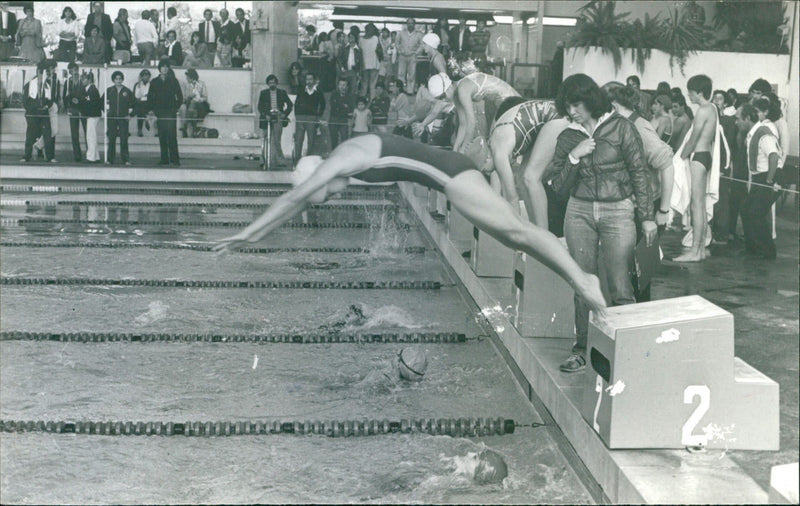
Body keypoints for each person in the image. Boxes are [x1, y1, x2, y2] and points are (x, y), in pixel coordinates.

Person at [213, 133, 608, 321]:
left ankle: (583, 279)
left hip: (451, 176)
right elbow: (296, 202)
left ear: (320, 176)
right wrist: (260, 235)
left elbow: (292, 199)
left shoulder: (339, 161)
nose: (333, 196)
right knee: (511, 234)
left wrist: (250, 232)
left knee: (518, 231)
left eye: (327, 194)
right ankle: (577, 277)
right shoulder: (335, 162)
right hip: (448, 175)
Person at [548, 74, 654, 373]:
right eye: (567, 106)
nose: (572, 112)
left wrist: (646, 217)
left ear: (591, 100)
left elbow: (640, 174)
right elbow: (557, 187)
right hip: (578, 210)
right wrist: (573, 156)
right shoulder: (568, 135)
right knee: (583, 283)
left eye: (577, 105)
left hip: (618, 211)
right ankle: (582, 349)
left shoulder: (622, 128)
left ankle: (627, 353)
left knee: (621, 284)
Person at [605, 83, 675, 301]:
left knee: (638, 271)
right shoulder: (622, 123)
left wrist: (663, 209)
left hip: (646, 208)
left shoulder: (639, 127)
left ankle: (638, 317)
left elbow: (666, 164)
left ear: (614, 105)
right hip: (630, 205)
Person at [487, 98, 568, 234]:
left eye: (485, 170)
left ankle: (543, 238)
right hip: (545, 118)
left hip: (556, 116)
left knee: (531, 178)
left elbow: (512, 198)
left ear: (486, 158)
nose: (487, 172)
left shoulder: (498, 154)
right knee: (521, 179)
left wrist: (516, 237)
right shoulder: (494, 144)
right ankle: (534, 231)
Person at [675, 74, 719, 262]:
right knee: (699, 205)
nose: (688, 96)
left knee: (696, 205)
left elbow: (693, 139)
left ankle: (695, 251)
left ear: (700, 92)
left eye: (691, 93)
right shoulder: (713, 109)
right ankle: (699, 250)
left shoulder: (703, 110)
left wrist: (679, 158)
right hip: (705, 156)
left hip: (699, 157)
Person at [428, 71, 520, 153]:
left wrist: (463, 148)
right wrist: (455, 149)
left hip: (510, 100)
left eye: (443, 96)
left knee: (494, 144)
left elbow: (471, 123)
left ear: (448, 87)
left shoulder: (462, 90)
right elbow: (463, 124)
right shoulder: (456, 95)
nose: (444, 100)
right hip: (500, 103)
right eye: (440, 99)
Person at [738, 101, 782, 259]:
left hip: (768, 176)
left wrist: (769, 181)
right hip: (759, 176)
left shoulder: (763, 132)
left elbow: (774, 156)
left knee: (756, 213)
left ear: (748, 118)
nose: (737, 123)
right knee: (745, 210)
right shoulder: (752, 134)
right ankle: (752, 248)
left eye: (739, 119)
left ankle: (768, 251)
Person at [148, 59, 183, 166]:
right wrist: (153, 110)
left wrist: (175, 107)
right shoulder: (154, 82)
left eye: (166, 66)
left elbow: (180, 96)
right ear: (159, 68)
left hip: (170, 111)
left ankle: (175, 159)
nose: (164, 68)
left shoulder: (173, 80)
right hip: (159, 112)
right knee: (162, 136)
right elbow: (150, 97)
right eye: (162, 66)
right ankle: (164, 159)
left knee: (172, 136)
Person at [21, 60, 54, 162]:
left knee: (47, 134)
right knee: (30, 134)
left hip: (44, 113)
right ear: (37, 72)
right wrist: (33, 109)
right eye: (40, 72)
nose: (41, 75)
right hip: (32, 113)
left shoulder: (47, 85)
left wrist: (46, 106)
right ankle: (27, 156)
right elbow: (25, 101)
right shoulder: (29, 85)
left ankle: (50, 157)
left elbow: (50, 100)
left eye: (43, 73)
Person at [257, 74, 293, 169]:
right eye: (270, 83)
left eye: (273, 82)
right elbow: (260, 106)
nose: (271, 84)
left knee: (277, 140)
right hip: (266, 118)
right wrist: (265, 114)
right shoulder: (263, 93)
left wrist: (284, 114)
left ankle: (279, 160)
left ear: (276, 83)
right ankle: (264, 160)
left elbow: (290, 105)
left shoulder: (282, 92)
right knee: (265, 140)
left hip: (278, 117)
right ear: (267, 84)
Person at [293, 71, 325, 161]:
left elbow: (323, 104)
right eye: (307, 79)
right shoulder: (301, 90)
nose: (309, 81)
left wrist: (318, 115)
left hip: (312, 117)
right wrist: (297, 116)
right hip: (301, 117)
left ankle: (308, 159)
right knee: (298, 139)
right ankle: (297, 159)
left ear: (314, 80)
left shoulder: (318, 91)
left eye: (310, 79)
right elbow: (296, 103)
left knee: (311, 139)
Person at [106, 70, 134, 165]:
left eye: (120, 79)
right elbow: (101, 102)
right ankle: (110, 159)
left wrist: (131, 115)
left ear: (122, 79)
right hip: (112, 118)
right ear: (113, 80)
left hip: (123, 119)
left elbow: (136, 105)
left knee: (124, 140)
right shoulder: (109, 91)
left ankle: (126, 159)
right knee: (111, 139)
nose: (118, 80)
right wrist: (105, 112)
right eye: (116, 79)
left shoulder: (127, 91)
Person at [63, 62, 85, 162]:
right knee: (74, 134)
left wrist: (80, 101)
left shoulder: (84, 80)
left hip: (84, 109)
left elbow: (88, 94)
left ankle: (90, 153)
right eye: (71, 71)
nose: (74, 73)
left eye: (75, 70)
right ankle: (77, 155)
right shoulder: (67, 82)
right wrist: (67, 106)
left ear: (78, 69)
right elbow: (64, 96)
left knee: (87, 132)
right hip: (73, 109)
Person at [396, 18, 422, 94]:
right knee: (401, 73)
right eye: (408, 23)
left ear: (414, 24)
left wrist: (416, 52)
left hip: (412, 56)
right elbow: (397, 43)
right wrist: (399, 51)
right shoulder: (401, 33)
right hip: (402, 56)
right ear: (406, 24)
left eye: (412, 23)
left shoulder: (419, 34)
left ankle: (410, 91)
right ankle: (400, 90)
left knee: (412, 74)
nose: (410, 25)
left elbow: (422, 45)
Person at [81, 71, 102, 163]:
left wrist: (84, 112)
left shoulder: (93, 90)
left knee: (90, 136)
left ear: (89, 80)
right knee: (91, 136)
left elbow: (93, 104)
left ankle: (91, 157)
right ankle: (96, 156)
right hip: (91, 115)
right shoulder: (88, 89)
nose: (82, 81)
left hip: (93, 115)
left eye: (84, 79)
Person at [181, 68, 208, 138]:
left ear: (192, 77)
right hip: (189, 103)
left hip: (200, 104)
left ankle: (185, 126)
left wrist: (198, 99)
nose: (186, 79)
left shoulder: (201, 84)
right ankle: (194, 130)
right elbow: (184, 98)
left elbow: (205, 97)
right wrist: (190, 97)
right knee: (192, 105)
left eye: (188, 77)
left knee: (193, 104)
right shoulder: (186, 85)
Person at [328, 77, 354, 149]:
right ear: (338, 86)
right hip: (334, 119)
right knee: (333, 140)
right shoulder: (334, 94)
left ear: (347, 87)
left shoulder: (350, 97)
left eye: (344, 85)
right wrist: (344, 108)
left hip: (344, 120)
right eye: (341, 85)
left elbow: (350, 109)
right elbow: (334, 107)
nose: (342, 87)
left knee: (344, 139)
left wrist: (342, 108)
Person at [359, 22, 380, 99]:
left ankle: (362, 101)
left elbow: (360, 53)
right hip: (374, 64)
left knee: (364, 85)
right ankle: (372, 101)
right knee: (372, 85)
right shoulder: (376, 38)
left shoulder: (360, 40)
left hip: (364, 65)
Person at [338, 32, 362, 96]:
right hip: (345, 70)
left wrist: (359, 73)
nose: (350, 39)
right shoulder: (344, 47)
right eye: (349, 37)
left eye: (352, 37)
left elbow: (360, 62)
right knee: (344, 89)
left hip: (354, 71)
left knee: (353, 89)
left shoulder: (358, 49)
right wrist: (341, 67)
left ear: (355, 38)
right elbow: (339, 58)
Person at [133, 69, 153, 137]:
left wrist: (144, 96)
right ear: (141, 77)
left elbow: (151, 96)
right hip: (140, 103)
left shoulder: (152, 84)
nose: (145, 77)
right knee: (140, 107)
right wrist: (139, 84)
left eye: (147, 76)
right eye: (144, 76)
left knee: (141, 106)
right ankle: (144, 122)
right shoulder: (137, 84)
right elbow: (136, 96)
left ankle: (141, 127)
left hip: (149, 103)